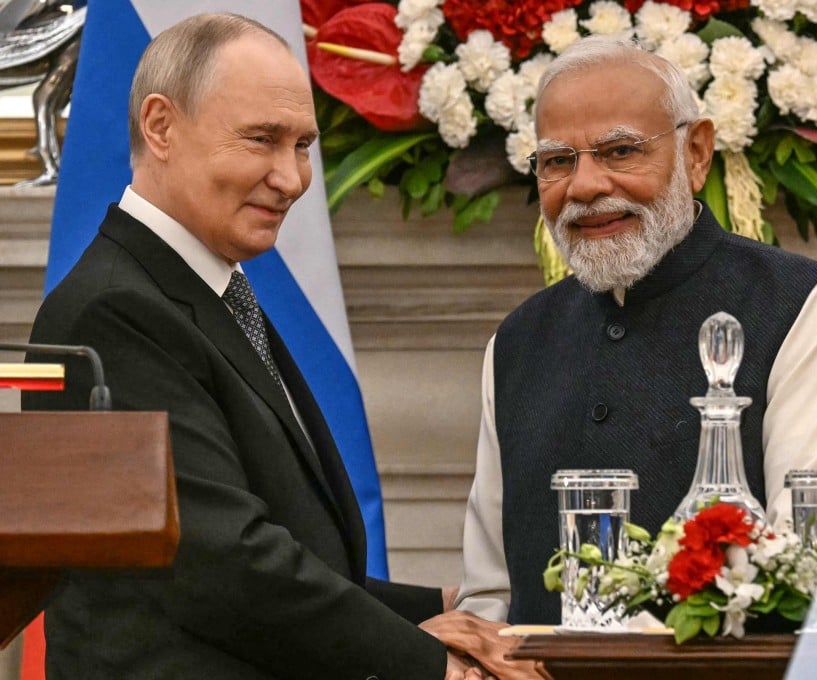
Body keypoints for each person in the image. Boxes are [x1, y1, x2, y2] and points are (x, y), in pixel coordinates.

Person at [23, 13, 541, 680]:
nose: (293, 179)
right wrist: (432, 664)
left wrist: (442, 611)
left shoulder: (203, 286)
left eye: (302, 145)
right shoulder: (114, 310)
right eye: (262, 140)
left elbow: (284, 547)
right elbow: (224, 563)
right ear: (160, 127)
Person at [455, 35, 817, 625]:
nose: (583, 187)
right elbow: (488, 596)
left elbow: (813, 575)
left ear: (697, 153)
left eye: (619, 151)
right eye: (558, 161)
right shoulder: (517, 342)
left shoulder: (804, 308)